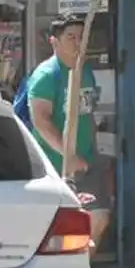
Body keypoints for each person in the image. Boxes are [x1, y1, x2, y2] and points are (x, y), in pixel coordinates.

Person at [27, 14, 109, 254]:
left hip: (87, 161)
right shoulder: (46, 75)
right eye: (71, 37)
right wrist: (68, 154)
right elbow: (41, 121)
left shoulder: (85, 71)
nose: (78, 43)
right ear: (55, 42)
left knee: (99, 217)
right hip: (55, 167)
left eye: (82, 37)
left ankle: (81, 267)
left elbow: (87, 114)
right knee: (62, 228)